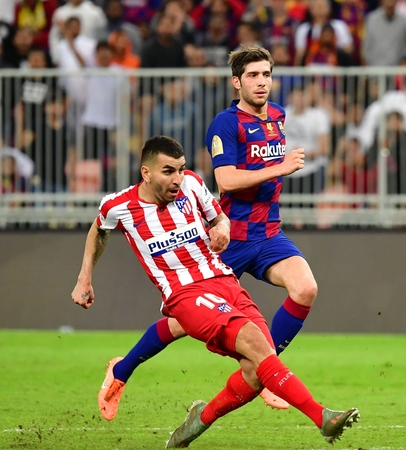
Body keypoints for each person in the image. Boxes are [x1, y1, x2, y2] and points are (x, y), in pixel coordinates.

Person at [71, 135, 360, 447]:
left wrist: (222, 229)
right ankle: (322, 417)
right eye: (168, 171)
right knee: (255, 343)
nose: (178, 179)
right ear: (146, 173)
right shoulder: (119, 206)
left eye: (181, 170)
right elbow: (98, 230)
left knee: (256, 370)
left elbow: (218, 216)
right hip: (184, 294)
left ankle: (199, 420)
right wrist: (84, 277)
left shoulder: (193, 184)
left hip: (223, 281)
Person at [91, 47, 328, 421]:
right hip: (229, 238)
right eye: (252, 75)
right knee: (181, 323)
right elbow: (226, 180)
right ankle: (121, 370)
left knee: (306, 288)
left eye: (266, 74)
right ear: (237, 82)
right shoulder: (225, 123)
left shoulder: (279, 116)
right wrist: (279, 168)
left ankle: (266, 372)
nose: (261, 82)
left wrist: (277, 169)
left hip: (267, 234)